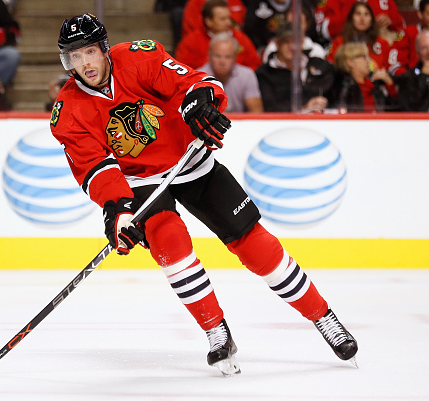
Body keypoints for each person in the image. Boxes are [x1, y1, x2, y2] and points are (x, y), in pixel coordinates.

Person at [50, 13, 358, 376]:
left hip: (188, 159)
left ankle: (323, 317)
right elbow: (94, 167)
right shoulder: (68, 110)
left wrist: (199, 104)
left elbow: (193, 82)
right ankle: (216, 332)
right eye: (75, 56)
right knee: (171, 245)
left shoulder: (138, 57)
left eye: (89, 51)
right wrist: (117, 210)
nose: (84, 62)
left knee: (253, 242)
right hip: (140, 181)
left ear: (103, 49)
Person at [256, 21, 335, 112]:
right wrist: (305, 108)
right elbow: (269, 108)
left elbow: (337, 98)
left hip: (324, 122)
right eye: (286, 42)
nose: (292, 47)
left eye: (296, 41)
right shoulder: (264, 73)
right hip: (284, 124)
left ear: (302, 42)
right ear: (277, 44)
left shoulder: (321, 65)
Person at [175, 0, 260, 70]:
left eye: (228, 18)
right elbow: (181, 70)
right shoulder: (191, 42)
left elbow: (255, 65)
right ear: (208, 21)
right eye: (223, 19)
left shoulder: (240, 38)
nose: (228, 23)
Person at [198, 32, 263, 112]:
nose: (222, 62)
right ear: (209, 55)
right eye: (217, 56)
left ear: (235, 57)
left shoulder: (247, 75)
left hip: (241, 124)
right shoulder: (198, 78)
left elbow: (257, 112)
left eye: (227, 57)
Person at [331, 41, 398, 112]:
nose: (369, 60)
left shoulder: (375, 84)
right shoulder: (342, 88)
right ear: (350, 62)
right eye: (364, 57)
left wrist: (389, 83)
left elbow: (395, 111)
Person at [327, 2, 391, 72]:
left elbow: (389, 70)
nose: (362, 18)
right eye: (358, 14)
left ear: (371, 19)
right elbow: (330, 65)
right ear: (351, 18)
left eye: (366, 14)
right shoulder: (339, 42)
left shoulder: (382, 43)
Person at [243, 0, 319, 53]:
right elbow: (250, 32)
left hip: (304, 47)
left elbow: (313, 32)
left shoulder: (303, 4)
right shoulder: (256, 4)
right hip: (266, 50)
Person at [394, 30, 429, 112]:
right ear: (417, 53)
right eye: (424, 48)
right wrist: (424, 77)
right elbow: (411, 108)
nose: (428, 52)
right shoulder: (408, 78)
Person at [181, 0, 246, 37]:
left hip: (233, 39)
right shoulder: (194, 3)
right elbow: (192, 30)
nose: (227, 22)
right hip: (204, 42)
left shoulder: (236, 1)